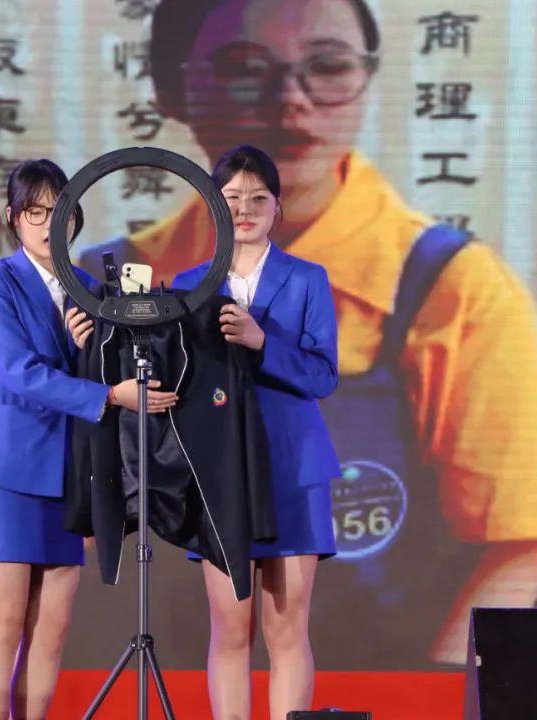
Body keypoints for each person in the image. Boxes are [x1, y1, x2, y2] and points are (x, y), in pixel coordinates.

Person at [74, 0, 537, 669]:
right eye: (244, 69)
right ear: (171, 88)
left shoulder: (452, 288)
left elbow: (511, 553)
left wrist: (432, 703)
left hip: (386, 690)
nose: (292, 100)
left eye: (328, 66)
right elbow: (1, 516)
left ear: (366, 78)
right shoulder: (106, 284)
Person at [0, 159, 178, 719]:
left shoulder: (93, 290)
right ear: (12, 217)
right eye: (35, 212)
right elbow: (15, 372)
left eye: (61, 212)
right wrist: (105, 393)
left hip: (68, 474)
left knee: (50, 629)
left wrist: (95, 355)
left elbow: (110, 367)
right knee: (5, 619)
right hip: (3, 471)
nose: (48, 224)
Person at [186, 145, 343, 719]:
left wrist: (261, 342)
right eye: (231, 198)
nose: (245, 210)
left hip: (292, 468)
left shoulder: (307, 279)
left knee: (286, 627)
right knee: (230, 627)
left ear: (278, 207)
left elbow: (323, 375)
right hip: (220, 473)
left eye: (258, 198)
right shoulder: (189, 286)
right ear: (213, 204)